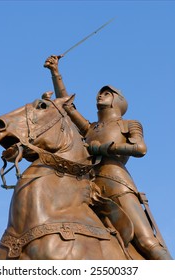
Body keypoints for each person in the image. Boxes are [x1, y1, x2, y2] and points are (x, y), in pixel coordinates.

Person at [44, 55, 172, 260]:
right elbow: (67, 106)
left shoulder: (129, 124)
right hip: (86, 185)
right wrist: (55, 72)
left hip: (116, 183)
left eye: (106, 93)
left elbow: (140, 148)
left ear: (117, 101)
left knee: (148, 242)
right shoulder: (90, 128)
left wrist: (104, 148)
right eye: (99, 93)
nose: (99, 96)